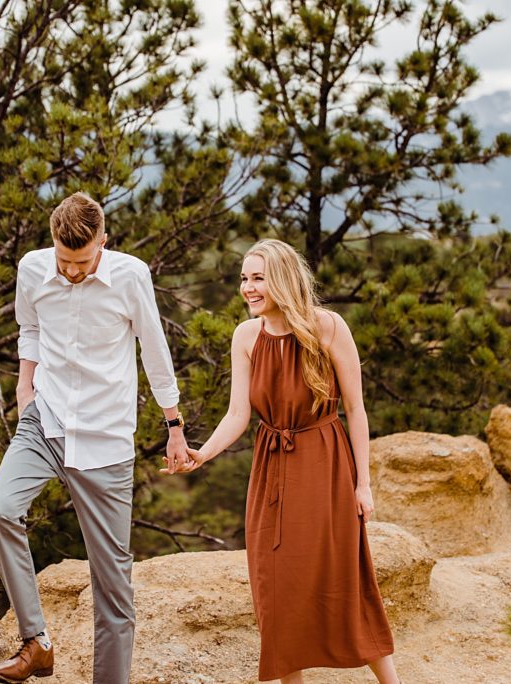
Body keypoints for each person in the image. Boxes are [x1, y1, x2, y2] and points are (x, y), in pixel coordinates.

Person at [167, 239, 399, 683]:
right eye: (244, 278)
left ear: (284, 280)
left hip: (325, 463)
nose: (248, 288)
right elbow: (238, 413)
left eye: (259, 278)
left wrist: (363, 484)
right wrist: (203, 453)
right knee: (276, 588)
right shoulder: (246, 336)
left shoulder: (328, 327)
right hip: (271, 468)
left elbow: (356, 409)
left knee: (343, 580)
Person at [0, 192, 189, 683]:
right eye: (64, 261)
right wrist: (24, 386)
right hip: (46, 419)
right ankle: (36, 643)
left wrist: (174, 426)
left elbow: (154, 351)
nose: (72, 271)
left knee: (112, 586)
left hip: (105, 438)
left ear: (103, 241)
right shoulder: (32, 268)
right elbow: (29, 328)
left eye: (82, 261)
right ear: (52, 243)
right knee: (0, 510)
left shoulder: (131, 276)